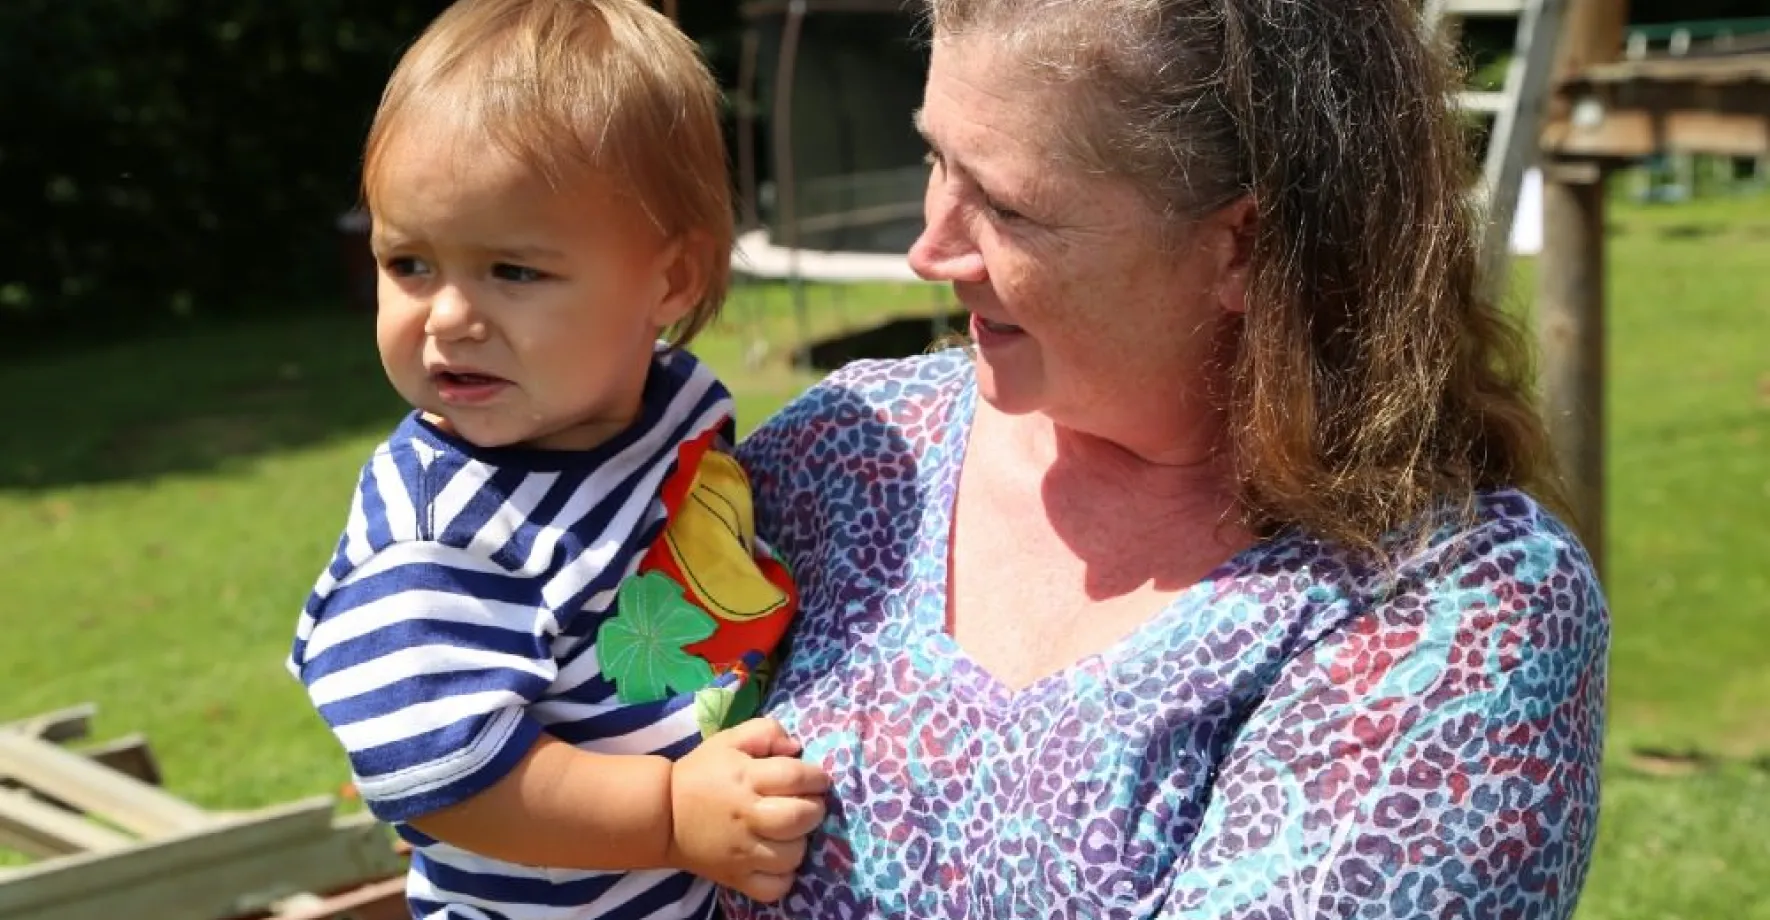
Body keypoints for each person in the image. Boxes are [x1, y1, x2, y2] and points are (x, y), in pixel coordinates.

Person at [725, 0, 1609, 917]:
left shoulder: (1454, 604)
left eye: (1009, 206)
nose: (931, 249)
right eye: (935, 160)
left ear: (1246, 245)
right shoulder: (852, 454)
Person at [285, 2, 828, 918]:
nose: (449, 316)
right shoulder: (436, 540)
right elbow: (448, 777)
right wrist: (667, 814)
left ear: (671, 280)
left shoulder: (679, 407)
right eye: (409, 264)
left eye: (514, 271)